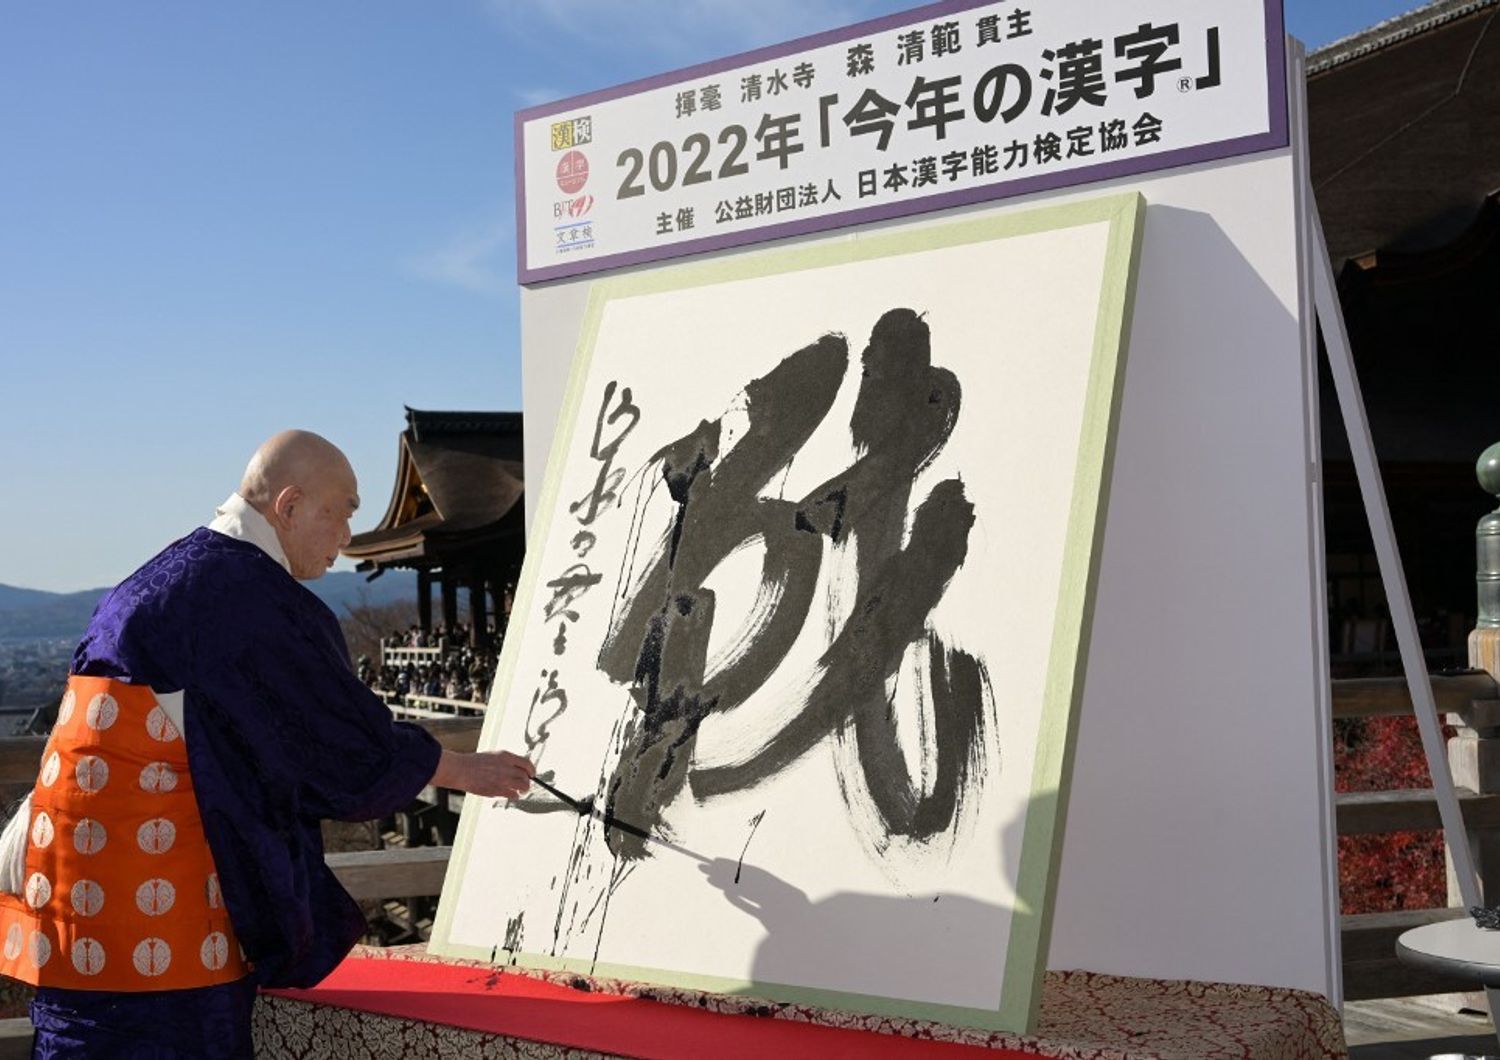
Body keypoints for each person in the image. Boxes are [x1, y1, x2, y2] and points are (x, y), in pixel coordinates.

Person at [0, 430, 534, 1057]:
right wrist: (462, 768)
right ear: (289, 506)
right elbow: (336, 745)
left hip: (67, 885)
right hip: (150, 904)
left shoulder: (168, 576)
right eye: (343, 512)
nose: (347, 536)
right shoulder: (247, 598)